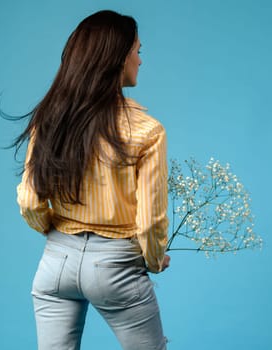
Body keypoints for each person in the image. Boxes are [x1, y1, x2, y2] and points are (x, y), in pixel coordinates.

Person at [11, 10, 170, 350]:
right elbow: (150, 222)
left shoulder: (51, 118)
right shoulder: (147, 131)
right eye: (137, 51)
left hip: (55, 264)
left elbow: (30, 200)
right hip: (116, 267)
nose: (140, 61)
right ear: (116, 59)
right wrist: (155, 260)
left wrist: (52, 232)